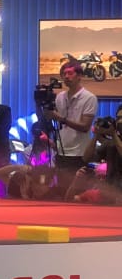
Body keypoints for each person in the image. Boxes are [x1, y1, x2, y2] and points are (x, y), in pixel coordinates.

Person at [46, 59, 98, 196]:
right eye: (64, 74)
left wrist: (61, 119)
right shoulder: (60, 97)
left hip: (79, 153)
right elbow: (52, 120)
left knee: (76, 193)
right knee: (62, 191)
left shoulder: (89, 98)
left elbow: (85, 127)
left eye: (70, 73)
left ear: (79, 76)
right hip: (61, 152)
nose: (66, 76)